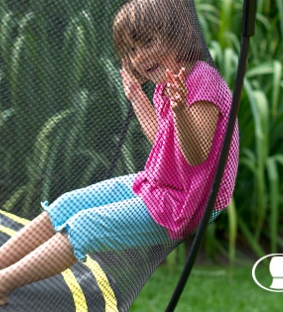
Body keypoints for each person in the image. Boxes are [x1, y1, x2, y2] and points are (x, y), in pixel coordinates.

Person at [0, 0, 238, 306]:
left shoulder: (202, 81)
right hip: (162, 183)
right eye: (132, 50)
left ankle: (3, 284)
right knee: (67, 204)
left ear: (177, 35)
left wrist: (179, 110)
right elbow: (163, 143)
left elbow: (195, 156)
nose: (141, 56)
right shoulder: (169, 82)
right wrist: (136, 96)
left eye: (148, 42)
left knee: (84, 226)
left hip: (191, 201)